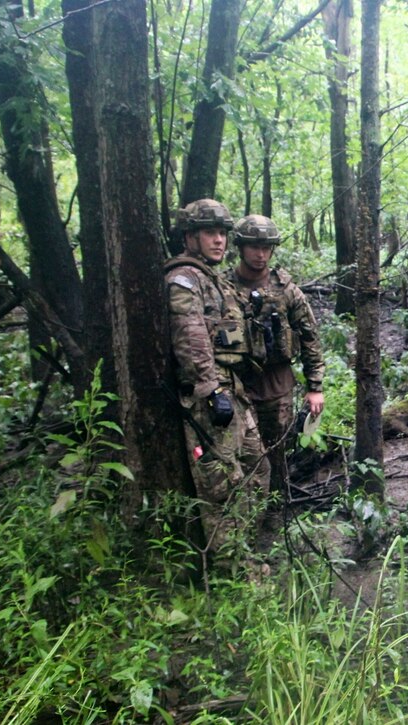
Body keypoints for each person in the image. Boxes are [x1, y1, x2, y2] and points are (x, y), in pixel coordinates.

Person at [165, 199, 269, 568]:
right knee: (221, 487)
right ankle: (232, 572)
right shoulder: (184, 279)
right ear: (190, 236)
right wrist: (210, 391)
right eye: (211, 233)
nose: (219, 240)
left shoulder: (213, 279)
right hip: (210, 398)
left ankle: (246, 551)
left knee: (257, 469)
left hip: (233, 391)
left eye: (223, 233)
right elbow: (190, 337)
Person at [227, 214, 325, 500]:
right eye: (254, 247)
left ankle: (275, 508)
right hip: (236, 386)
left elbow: (310, 337)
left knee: (276, 451)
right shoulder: (223, 287)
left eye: (267, 247)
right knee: (240, 454)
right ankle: (244, 512)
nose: (261, 254)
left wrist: (315, 387)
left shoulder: (285, 289)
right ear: (241, 247)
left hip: (276, 386)